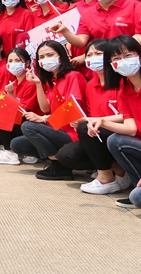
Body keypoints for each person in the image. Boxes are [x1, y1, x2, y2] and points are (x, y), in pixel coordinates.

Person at [90, 35, 141, 209]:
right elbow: (131, 128)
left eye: (128, 55)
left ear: (140, 56)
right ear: (111, 65)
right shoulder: (125, 90)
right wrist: (102, 122)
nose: (123, 61)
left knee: (140, 199)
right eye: (116, 59)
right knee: (116, 140)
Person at [55, 39, 130, 194]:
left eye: (98, 53)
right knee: (66, 155)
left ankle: (106, 179)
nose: (93, 58)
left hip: (121, 131)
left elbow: (128, 116)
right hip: (98, 132)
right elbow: (90, 114)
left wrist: (93, 121)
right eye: (89, 55)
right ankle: (119, 169)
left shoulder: (123, 81)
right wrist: (83, 121)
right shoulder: (91, 85)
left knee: (85, 126)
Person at [11, 40, 87, 180]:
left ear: (61, 56)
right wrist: (38, 85)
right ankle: (58, 162)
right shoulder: (52, 79)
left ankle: (58, 165)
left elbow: (72, 109)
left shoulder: (73, 76)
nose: (46, 59)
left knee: (28, 127)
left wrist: (44, 119)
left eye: (50, 55)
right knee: (17, 144)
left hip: (72, 132)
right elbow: (45, 108)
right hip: (56, 128)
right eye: (42, 57)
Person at [0, 47, 41, 165]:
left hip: (30, 124)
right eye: (10, 61)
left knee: (2, 113)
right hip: (18, 124)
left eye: (17, 60)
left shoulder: (31, 83)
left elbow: (23, 111)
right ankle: (23, 150)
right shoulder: (13, 84)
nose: (13, 64)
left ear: (27, 63)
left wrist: (11, 96)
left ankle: (10, 153)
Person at [51, 0, 136, 48]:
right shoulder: (88, 14)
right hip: (104, 57)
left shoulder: (133, 6)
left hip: (131, 54)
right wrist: (65, 31)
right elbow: (81, 41)